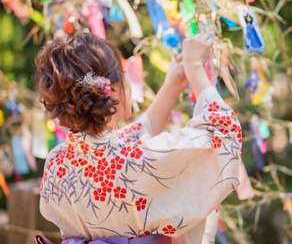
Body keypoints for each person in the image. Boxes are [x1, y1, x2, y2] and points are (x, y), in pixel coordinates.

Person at [34, 32, 242, 244]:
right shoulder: (139, 160)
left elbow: (121, 146)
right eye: (124, 74)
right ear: (112, 91)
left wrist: (171, 86)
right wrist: (196, 69)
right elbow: (224, 136)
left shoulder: (55, 164)